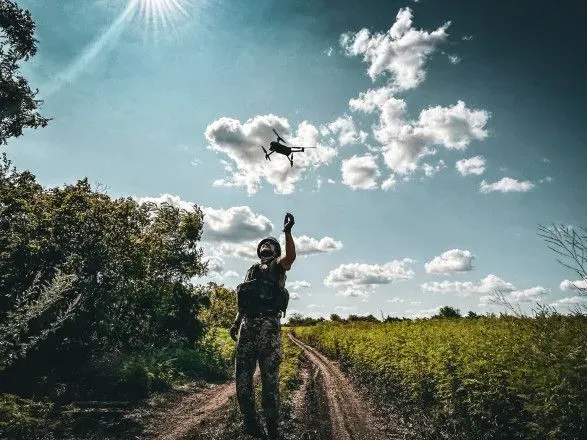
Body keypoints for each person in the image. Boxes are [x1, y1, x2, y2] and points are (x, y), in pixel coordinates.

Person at [230, 213, 296, 439]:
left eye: (271, 244)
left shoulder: (278, 266)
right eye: (264, 244)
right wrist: (236, 322)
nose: (266, 246)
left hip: (269, 326)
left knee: (269, 379)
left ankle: (272, 426)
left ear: (275, 251)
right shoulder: (251, 270)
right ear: (259, 250)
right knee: (242, 377)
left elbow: (291, 258)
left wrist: (287, 232)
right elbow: (244, 301)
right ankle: (250, 422)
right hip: (247, 327)